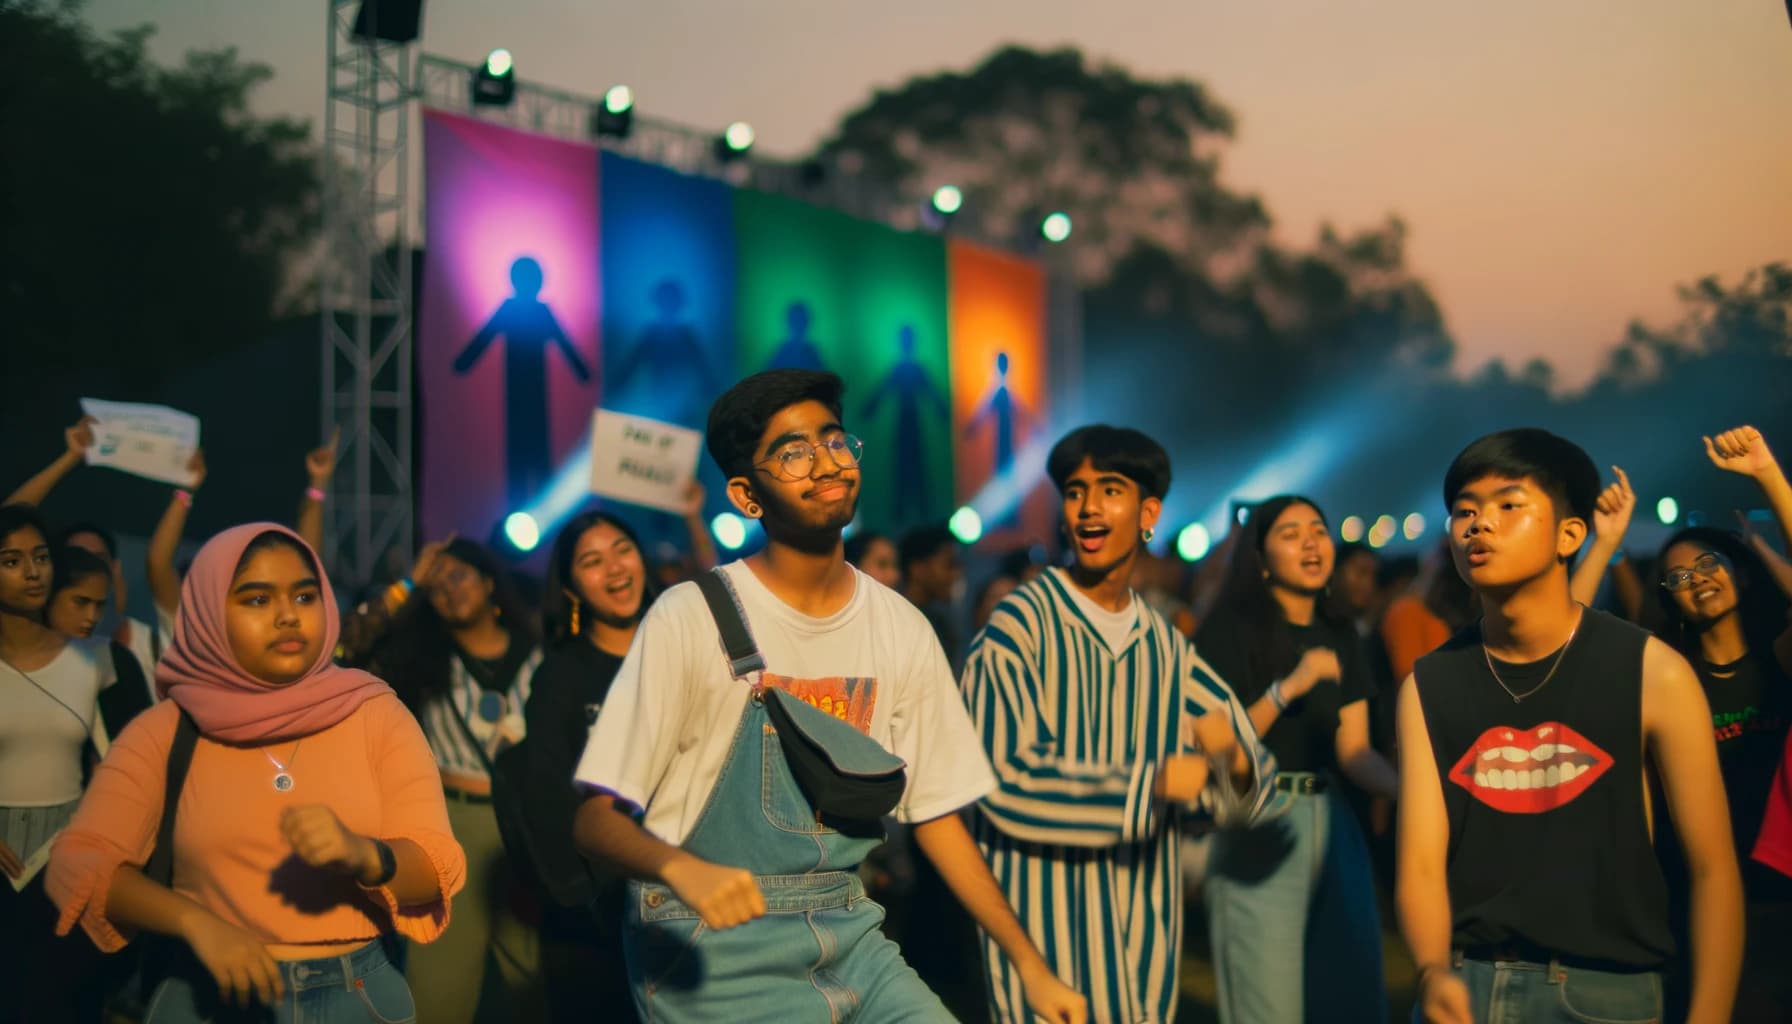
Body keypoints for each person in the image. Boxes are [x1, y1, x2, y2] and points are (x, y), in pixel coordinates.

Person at [572, 369, 1086, 1023]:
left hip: (850, 933)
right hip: (713, 953)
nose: (826, 462)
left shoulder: (901, 627)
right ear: (746, 495)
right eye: (793, 452)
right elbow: (593, 820)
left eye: (834, 440)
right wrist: (678, 867)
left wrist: (1030, 966)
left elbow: (936, 816)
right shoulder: (691, 617)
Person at [44, 523, 464, 1022]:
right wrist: (195, 922)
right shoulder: (168, 729)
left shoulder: (375, 713)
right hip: (206, 994)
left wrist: (365, 854)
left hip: (355, 993)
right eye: (257, 600)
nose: (288, 615)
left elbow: (434, 866)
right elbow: (80, 862)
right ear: (207, 614)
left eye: (304, 596)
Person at [1398, 428, 1742, 1024]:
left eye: (1509, 505)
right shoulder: (1428, 684)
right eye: (1465, 512)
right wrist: (1431, 971)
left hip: (1603, 994)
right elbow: (1422, 864)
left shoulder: (1653, 671)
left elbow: (1713, 868)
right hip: (1466, 986)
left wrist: (1709, 1014)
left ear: (1570, 534)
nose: (1480, 525)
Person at [960, 424, 1274, 1024]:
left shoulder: (1164, 645)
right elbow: (1000, 780)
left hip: (1145, 942)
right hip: (1047, 938)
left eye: (1110, 490)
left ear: (1148, 513)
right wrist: (1149, 785)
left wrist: (1233, 763)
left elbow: (1251, 769)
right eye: (1075, 492)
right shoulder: (1019, 627)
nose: (1088, 508)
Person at [1193, 494, 1399, 1023]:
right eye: (1290, 534)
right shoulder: (1228, 629)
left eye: (1318, 531)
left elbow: (1354, 752)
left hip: (1332, 820)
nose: (1311, 543)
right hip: (1259, 818)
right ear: (1260, 560)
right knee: (1267, 1003)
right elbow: (1217, 743)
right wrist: (1288, 688)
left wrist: (1412, 790)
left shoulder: (1341, 633)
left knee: (1349, 996)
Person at [354, 537, 544, 1023]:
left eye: (457, 576)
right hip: (452, 821)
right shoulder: (420, 662)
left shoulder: (539, 653)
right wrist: (409, 583)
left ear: (488, 581)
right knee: (439, 984)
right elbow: (346, 647)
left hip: (526, 827)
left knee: (535, 979)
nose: (449, 591)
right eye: (436, 588)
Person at [523, 509, 676, 1023]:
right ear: (571, 588)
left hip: (692, 889)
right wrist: (589, 897)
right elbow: (547, 797)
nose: (613, 568)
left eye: (622, 550)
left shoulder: (682, 650)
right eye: (592, 561)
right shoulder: (561, 676)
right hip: (606, 910)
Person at [0, 505, 116, 1023]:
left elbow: (120, 768)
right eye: (12, 560)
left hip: (67, 864)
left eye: (41, 557)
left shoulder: (93, 659)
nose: (32, 572)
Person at [45, 544, 153, 740]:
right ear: (49, 595)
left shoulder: (115, 659)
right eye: (81, 602)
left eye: (100, 605)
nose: (92, 616)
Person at [898, 522, 966, 669]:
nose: (957, 574)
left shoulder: (941, 623)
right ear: (917, 569)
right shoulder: (895, 623)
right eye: (949, 565)